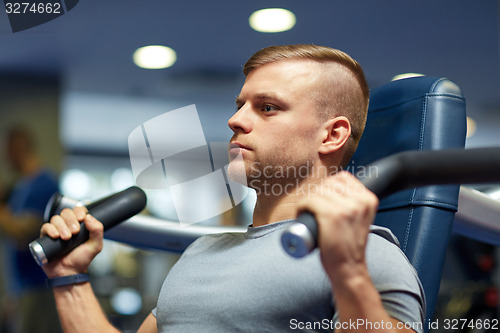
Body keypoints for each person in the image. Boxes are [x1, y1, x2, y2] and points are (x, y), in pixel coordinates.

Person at [39, 44, 425, 332]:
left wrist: (349, 272)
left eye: (268, 107)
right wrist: (69, 277)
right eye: (240, 104)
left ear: (332, 134)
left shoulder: (368, 253)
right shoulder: (202, 251)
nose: (235, 120)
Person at [0, 126, 61, 333]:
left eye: (7, 151)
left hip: (37, 286)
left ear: (17, 148)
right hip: (21, 286)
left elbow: (24, 235)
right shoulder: (21, 187)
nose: (5, 158)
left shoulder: (44, 185)